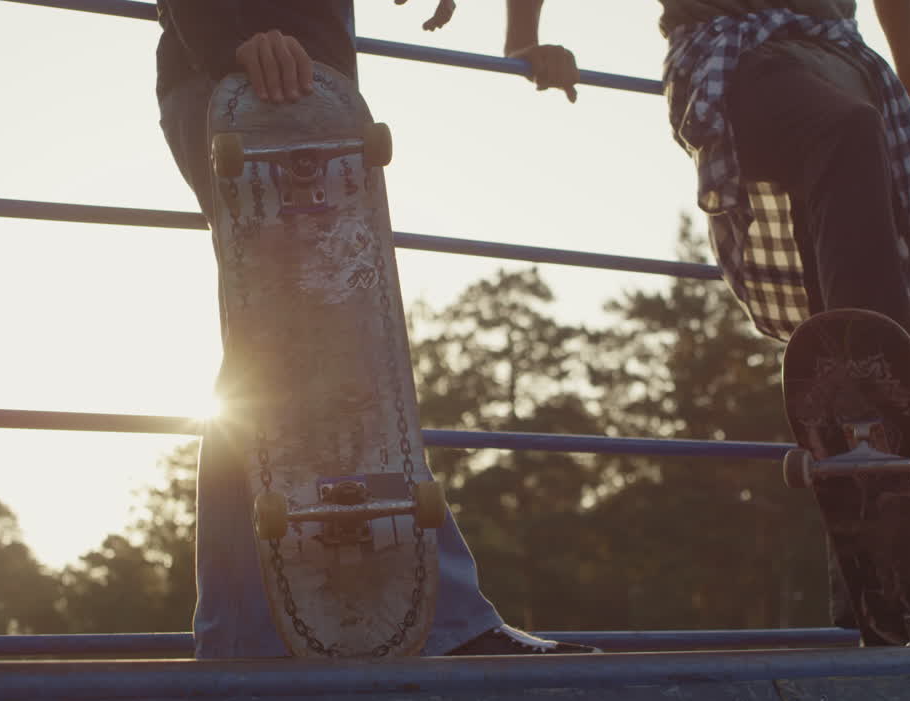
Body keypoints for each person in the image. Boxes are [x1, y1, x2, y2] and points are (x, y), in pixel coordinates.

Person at [155, 0, 592, 657]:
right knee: (287, 344)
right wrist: (228, 42)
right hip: (239, 75)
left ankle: (249, 629)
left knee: (311, 341)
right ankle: (429, 621)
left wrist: (521, 38)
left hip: (317, 86)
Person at [658, 0, 910, 628]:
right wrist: (525, 39)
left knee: (844, 275)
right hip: (740, 58)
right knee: (847, 130)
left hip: (839, 59)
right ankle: (878, 390)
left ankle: (870, 588)